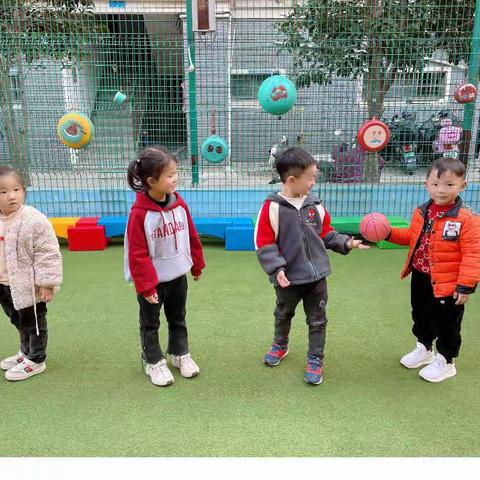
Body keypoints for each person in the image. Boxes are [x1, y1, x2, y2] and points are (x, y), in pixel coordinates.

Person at [254, 147, 367, 385]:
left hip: (317, 278)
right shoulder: (271, 208)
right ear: (292, 180)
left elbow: (325, 232)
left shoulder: (315, 204)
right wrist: (277, 269)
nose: (314, 182)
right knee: (283, 313)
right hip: (289, 279)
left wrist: (346, 242)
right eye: (311, 178)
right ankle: (280, 345)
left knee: (318, 319)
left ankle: (315, 358)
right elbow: (263, 243)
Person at [387, 157, 480, 382]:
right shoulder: (422, 212)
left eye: (449, 185)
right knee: (420, 314)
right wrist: (387, 233)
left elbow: (473, 254)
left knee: (447, 322)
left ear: (462, 186)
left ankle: (447, 361)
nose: (441, 190)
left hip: (449, 282)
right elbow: (412, 237)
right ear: (426, 184)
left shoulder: (467, 219)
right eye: (436, 184)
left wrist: (465, 286)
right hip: (421, 275)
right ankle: (424, 349)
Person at [125, 146, 205, 387]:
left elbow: (191, 234)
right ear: (151, 181)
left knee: (178, 317)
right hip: (151, 282)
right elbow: (136, 253)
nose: (175, 178)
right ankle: (153, 360)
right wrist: (147, 286)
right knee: (151, 322)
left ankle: (179, 353)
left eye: (175, 172)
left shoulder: (179, 205)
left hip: (177, 276)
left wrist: (196, 264)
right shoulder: (139, 214)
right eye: (169, 175)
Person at [0, 167, 62, 381]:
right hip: (4, 284)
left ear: (23, 191)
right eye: (3, 192)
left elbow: (48, 252)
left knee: (33, 322)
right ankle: (25, 351)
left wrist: (47, 282)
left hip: (28, 284)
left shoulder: (34, 220)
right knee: (17, 321)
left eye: (16, 189)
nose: (11, 196)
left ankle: (36, 359)